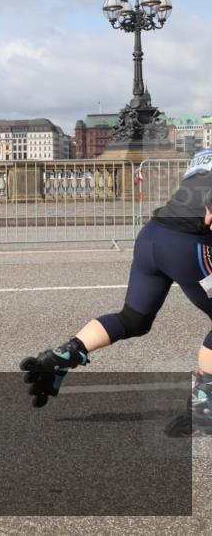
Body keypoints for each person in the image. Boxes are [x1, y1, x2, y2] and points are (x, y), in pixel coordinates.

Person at [21, 147, 212, 437]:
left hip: (152, 237)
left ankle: (62, 356)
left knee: (133, 319)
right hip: (186, 245)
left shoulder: (204, 154)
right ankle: (204, 411)